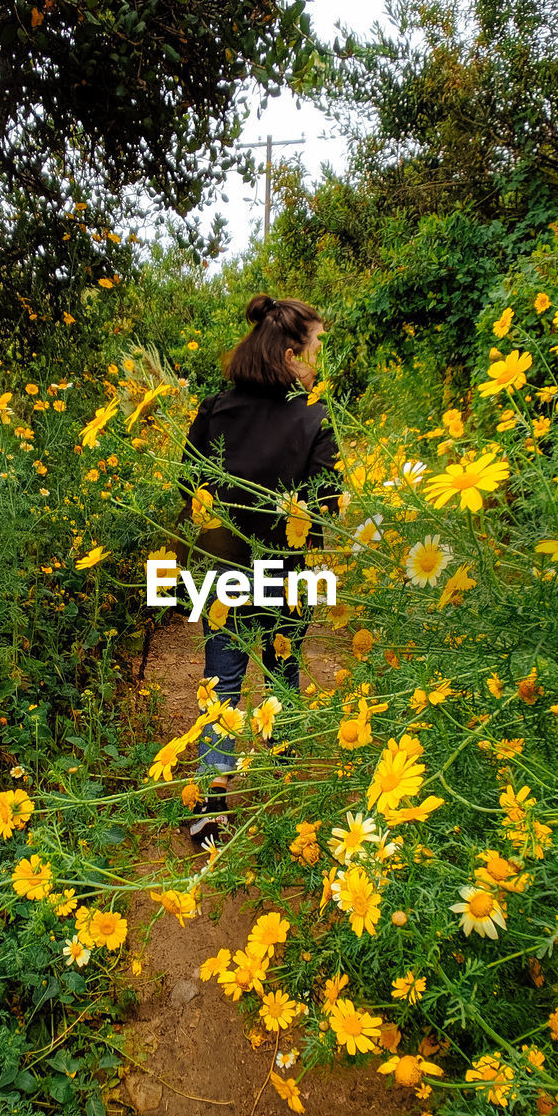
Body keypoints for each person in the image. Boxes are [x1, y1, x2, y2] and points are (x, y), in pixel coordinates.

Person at [177, 294, 341, 849]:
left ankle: (208, 810)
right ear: (293, 351)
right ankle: (282, 786)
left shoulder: (214, 408)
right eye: (317, 343)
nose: (319, 355)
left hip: (223, 570)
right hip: (289, 573)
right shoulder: (314, 416)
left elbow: (187, 487)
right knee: (282, 671)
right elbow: (329, 501)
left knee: (220, 685)